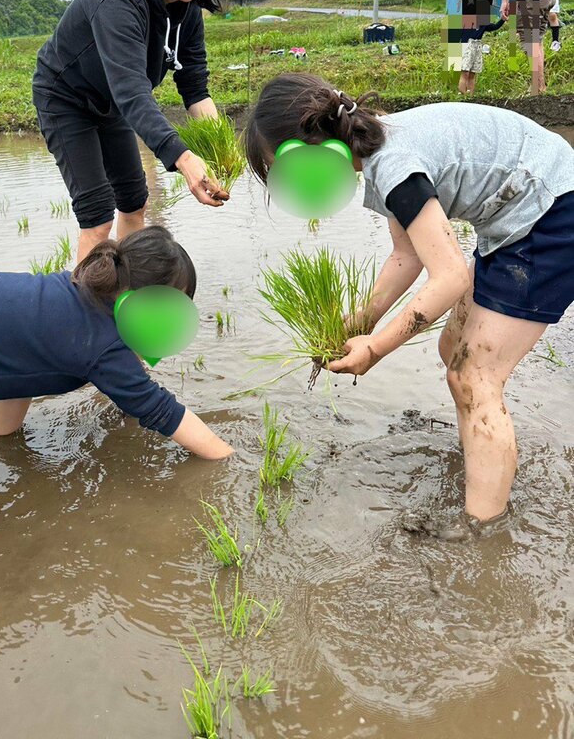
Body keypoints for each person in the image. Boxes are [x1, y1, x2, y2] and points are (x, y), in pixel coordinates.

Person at [245, 72, 574, 533]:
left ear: (311, 148)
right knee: (453, 354)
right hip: (521, 212)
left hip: (552, 212)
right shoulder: (379, 147)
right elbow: (407, 254)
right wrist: (361, 319)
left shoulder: (394, 165)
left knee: (475, 375)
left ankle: (482, 526)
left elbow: (451, 277)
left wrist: (377, 347)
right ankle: (486, 461)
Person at [0, 226, 233, 614]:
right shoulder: (102, 343)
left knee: (21, 365)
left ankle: (2, 444)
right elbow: (159, 408)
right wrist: (224, 455)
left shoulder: (86, 292)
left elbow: (41, 352)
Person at [33, 0, 234, 263]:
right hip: (66, 99)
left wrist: (225, 154)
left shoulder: (187, 14)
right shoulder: (117, 0)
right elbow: (133, 93)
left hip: (112, 104)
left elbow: (195, 91)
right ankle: (84, 314)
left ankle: (125, 294)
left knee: (134, 202)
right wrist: (184, 160)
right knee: (96, 218)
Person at [453, 12, 505, 96]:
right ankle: (462, 96)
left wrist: (503, 19)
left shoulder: (483, 23)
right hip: (467, 45)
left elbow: (494, 27)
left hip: (477, 45)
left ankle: (470, 96)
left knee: (473, 73)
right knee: (465, 73)